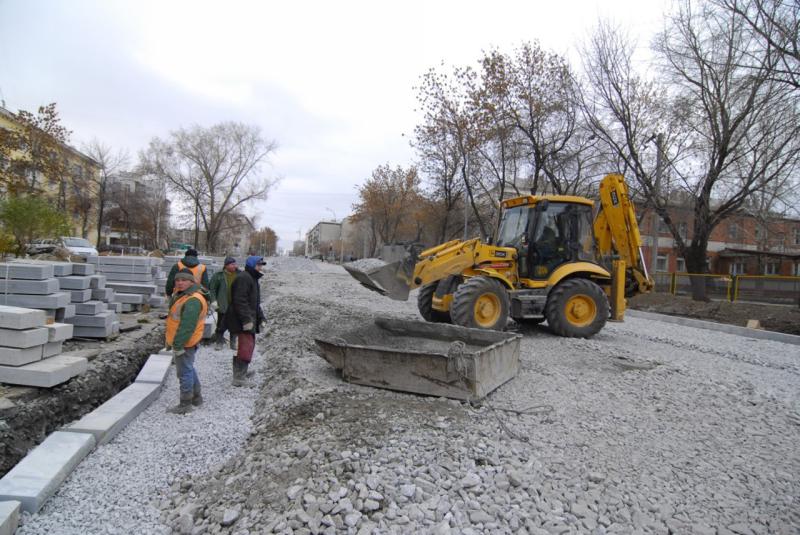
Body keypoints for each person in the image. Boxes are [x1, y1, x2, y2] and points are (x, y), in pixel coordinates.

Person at [165, 268, 209, 414]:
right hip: (186, 340)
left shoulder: (192, 300)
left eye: (184, 280)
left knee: (184, 372)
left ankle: (185, 404)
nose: (180, 283)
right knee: (188, 368)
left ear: (192, 282)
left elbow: (187, 326)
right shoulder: (182, 295)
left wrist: (178, 344)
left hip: (186, 342)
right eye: (177, 280)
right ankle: (196, 398)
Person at [226, 255, 267, 387]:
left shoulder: (252, 278)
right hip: (242, 320)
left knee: (248, 346)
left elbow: (254, 303)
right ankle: (238, 377)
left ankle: (242, 372)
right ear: (252, 265)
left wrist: (261, 317)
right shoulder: (244, 278)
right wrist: (246, 320)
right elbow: (240, 301)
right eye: (259, 265)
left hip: (248, 318)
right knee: (246, 347)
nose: (260, 267)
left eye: (261, 265)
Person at [208, 256, 239, 349]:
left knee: (235, 325)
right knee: (221, 324)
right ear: (226, 265)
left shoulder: (239, 274)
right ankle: (219, 342)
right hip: (223, 304)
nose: (234, 266)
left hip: (235, 305)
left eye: (235, 264)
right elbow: (212, 289)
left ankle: (233, 342)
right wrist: (213, 301)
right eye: (232, 264)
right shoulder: (219, 275)